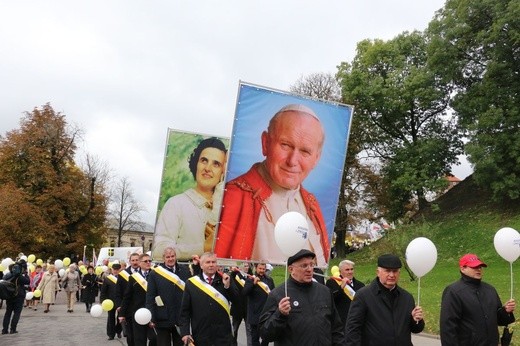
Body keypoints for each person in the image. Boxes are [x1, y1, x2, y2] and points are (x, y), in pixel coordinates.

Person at [215, 104, 330, 266]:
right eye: (285, 145)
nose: (292, 161)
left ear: (316, 159)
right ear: (265, 143)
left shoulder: (312, 205)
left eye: (305, 151)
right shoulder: (231, 196)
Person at [153, 137, 227, 261]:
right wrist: (203, 248)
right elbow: (158, 251)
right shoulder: (176, 204)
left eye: (216, 164)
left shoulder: (227, 209)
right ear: (196, 163)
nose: (208, 168)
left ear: (223, 171)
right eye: (204, 160)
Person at [259, 249, 344, 345]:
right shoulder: (278, 294)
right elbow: (265, 334)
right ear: (291, 269)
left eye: (311, 265)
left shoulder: (324, 291)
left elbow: (336, 329)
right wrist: (280, 314)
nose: (309, 269)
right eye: (304, 266)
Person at [344, 254, 424, 346]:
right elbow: (352, 330)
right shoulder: (363, 296)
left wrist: (416, 320)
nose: (391, 275)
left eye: (395, 271)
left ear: (399, 273)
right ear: (378, 272)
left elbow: (416, 329)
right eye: (387, 271)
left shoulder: (407, 298)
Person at [440, 253, 516, 345]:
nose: (478, 269)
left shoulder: (490, 290)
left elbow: (499, 320)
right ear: (463, 268)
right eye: (474, 267)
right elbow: (448, 327)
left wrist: (505, 311)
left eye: (480, 266)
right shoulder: (453, 291)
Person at [179, 252, 238, 345]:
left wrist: (228, 286)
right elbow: (185, 311)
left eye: (213, 262)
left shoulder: (226, 280)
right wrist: (185, 332)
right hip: (201, 335)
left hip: (223, 336)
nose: (211, 265)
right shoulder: (191, 283)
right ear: (201, 265)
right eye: (208, 262)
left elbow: (237, 301)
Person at [146, 246, 191, 346]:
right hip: (162, 317)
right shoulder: (154, 274)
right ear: (163, 258)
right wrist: (151, 317)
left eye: (172, 256)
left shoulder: (185, 271)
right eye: (168, 257)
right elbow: (150, 297)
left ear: (175, 256)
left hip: (180, 317)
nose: (170, 259)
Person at [119, 253, 154, 346]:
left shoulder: (156, 275)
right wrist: (122, 313)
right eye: (145, 261)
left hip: (153, 312)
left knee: (155, 338)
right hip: (138, 314)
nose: (148, 263)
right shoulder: (133, 278)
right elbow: (127, 297)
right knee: (139, 340)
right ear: (140, 263)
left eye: (149, 261)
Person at [243, 262, 275, 346]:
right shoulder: (250, 279)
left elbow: (273, 294)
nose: (262, 271)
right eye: (260, 268)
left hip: (266, 314)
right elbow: (244, 292)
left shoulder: (269, 280)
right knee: (255, 339)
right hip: (255, 314)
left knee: (266, 338)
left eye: (263, 269)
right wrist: (253, 284)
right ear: (256, 268)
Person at [325, 259, 365, 325]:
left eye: (352, 269)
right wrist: (341, 288)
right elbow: (330, 300)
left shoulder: (360, 285)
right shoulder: (332, 282)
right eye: (347, 270)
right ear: (340, 272)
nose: (350, 272)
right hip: (341, 322)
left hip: (357, 321)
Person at [116, 252, 140, 343]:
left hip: (142, 308)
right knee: (130, 336)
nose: (135, 262)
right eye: (133, 260)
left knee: (141, 336)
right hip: (128, 309)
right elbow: (118, 292)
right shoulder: (123, 274)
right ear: (129, 262)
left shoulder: (144, 273)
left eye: (137, 260)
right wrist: (119, 306)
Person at [2, 260, 29, 334]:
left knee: (8, 313)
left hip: (9, 296)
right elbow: (28, 281)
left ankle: (4, 330)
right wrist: (26, 274)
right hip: (19, 296)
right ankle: (13, 329)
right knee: (16, 313)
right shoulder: (20, 276)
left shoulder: (8, 275)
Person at [229, 262, 252, 345]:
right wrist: (234, 271)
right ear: (240, 267)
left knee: (249, 331)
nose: (247, 268)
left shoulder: (251, 277)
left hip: (248, 308)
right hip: (237, 308)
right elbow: (230, 280)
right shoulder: (235, 276)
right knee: (234, 330)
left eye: (247, 266)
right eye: (245, 266)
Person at [100, 263, 123, 340]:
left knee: (120, 317)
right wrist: (102, 300)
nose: (115, 271)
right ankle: (111, 334)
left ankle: (119, 331)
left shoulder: (123, 278)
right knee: (111, 318)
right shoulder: (108, 279)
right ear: (112, 270)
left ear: (120, 270)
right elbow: (103, 291)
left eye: (117, 270)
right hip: (110, 302)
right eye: (114, 270)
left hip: (120, 301)